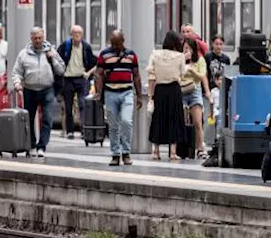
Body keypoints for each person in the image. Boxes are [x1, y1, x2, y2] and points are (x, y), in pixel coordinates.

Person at [9, 27, 64, 158]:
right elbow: (16, 71)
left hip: (47, 89)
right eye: (35, 38)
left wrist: (53, 59)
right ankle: (32, 144)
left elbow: (61, 70)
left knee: (47, 119)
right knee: (28, 119)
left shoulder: (51, 51)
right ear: (31, 38)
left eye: (40, 38)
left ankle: (42, 146)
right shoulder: (23, 54)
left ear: (43, 37)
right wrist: (17, 83)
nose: (38, 40)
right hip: (29, 89)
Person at [94, 29, 142, 166]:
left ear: (123, 41)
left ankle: (126, 153)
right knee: (113, 125)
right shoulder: (104, 54)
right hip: (110, 93)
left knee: (127, 122)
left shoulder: (131, 55)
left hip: (127, 92)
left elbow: (136, 76)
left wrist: (139, 96)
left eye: (117, 44)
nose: (114, 47)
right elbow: (98, 73)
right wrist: (98, 92)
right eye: (112, 43)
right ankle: (115, 154)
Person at [146, 31, 186, 160]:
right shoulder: (180, 56)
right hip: (174, 90)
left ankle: (155, 151)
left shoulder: (155, 54)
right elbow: (183, 73)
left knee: (158, 119)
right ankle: (173, 152)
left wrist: (150, 96)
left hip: (160, 89)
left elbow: (151, 76)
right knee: (174, 119)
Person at [56, 25, 95, 139]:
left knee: (83, 104)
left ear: (82, 35)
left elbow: (93, 62)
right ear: (71, 35)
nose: (77, 35)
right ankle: (70, 131)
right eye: (75, 33)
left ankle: (83, 129)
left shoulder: (86, 47)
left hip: (82, 79)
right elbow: (58, 59)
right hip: (68, 78)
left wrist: (88, 73)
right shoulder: (65, 46)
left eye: (79, 33)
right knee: (68, 106)